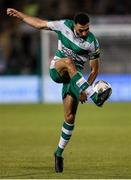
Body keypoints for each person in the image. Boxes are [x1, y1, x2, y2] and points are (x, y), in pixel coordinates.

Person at [7, 8, 111, 173]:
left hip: (75, 79)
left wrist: (84, 89)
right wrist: (20, 15)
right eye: (81, 30)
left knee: (69, 117)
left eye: (87, 29)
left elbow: (94, 71)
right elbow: (40, 24)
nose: (84, 33)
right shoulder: (63, 26)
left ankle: (58, 153)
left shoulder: (92, 43)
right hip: (58, 68)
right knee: (69, 61)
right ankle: (96, 98)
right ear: (74, 25)